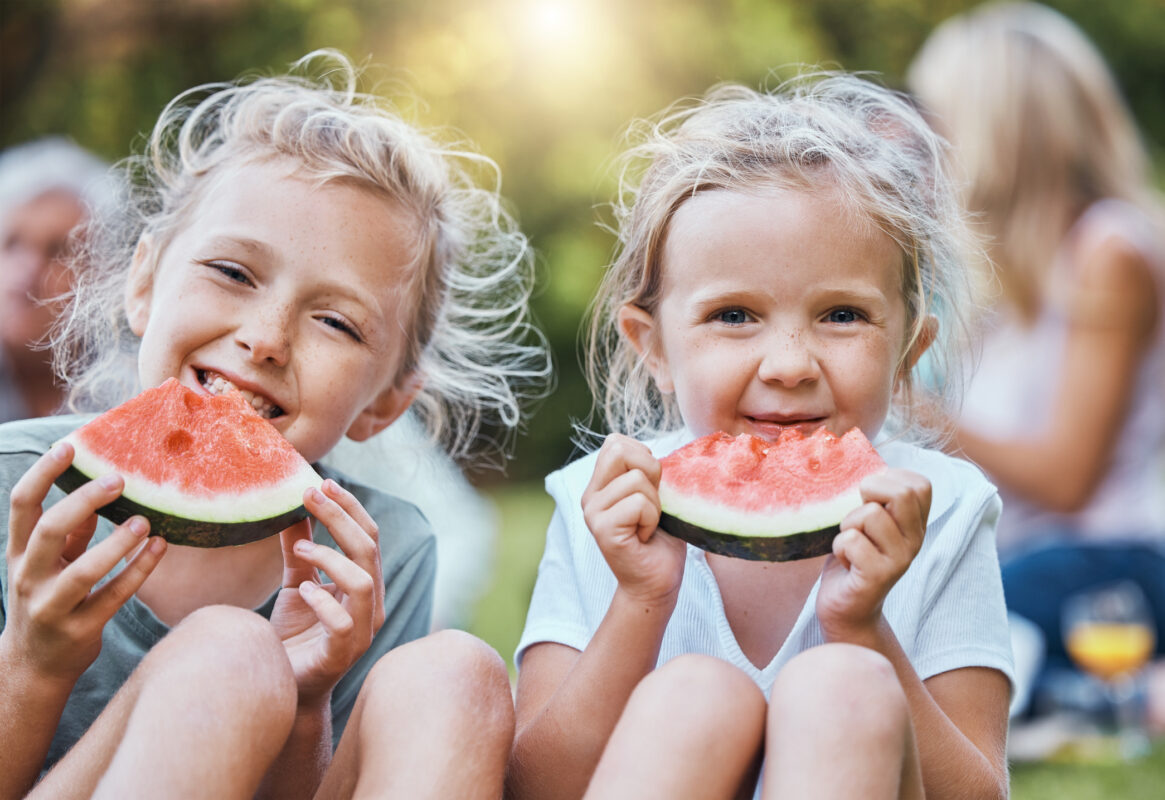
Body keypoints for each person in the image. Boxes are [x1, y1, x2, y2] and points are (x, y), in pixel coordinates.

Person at [0, 50, 549, 799]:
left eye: (334, 321)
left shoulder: (378, 555)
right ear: (142, 282)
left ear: (386, 402)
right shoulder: (13, 482)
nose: (265, 337)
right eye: (231, 272)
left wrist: (305, 701)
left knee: (459, 672)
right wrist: (33, 665)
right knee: (229, 648)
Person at [508, 73, 1014, 800]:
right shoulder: (601, 507)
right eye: (734, 315)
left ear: (909, 349)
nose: (787, 366)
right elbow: (539, 788)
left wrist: (863, 628)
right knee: (693, 693)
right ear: (651, 346)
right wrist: (640, 599)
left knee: (842, 685)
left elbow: (977, 793)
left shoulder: (949, 509)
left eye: (841, 315)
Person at [907, 2, 1165, 727]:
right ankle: (1089, 695)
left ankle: (1109, 693)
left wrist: (920, 410)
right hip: (1014, 554)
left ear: (995, 123)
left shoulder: (1109, 252)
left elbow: (1068, 478)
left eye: (941, 112)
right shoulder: (996, 271)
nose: (928, 135)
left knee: (929, 632)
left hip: (1102, 561)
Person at [0, 138, 113, 423]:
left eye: (58, 250)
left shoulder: (128, 388)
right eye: (13, 243)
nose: (30, 267)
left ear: (100, 274)